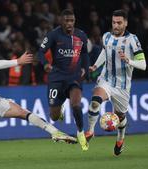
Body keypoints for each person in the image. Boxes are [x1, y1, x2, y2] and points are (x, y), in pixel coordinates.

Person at [85, 10, 146, 155]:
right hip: (106, 80)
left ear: (125, 23)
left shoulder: (132, 39)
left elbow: (143, 64)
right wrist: (96, 65)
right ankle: (91, 131)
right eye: (114, 22)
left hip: (123, 87)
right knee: (95, 101)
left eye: (119, 23)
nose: (116, 25)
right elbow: (104, 52)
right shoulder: (106, 36)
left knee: (121, 117)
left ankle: (120, 139)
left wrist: (129, 60)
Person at [37, 9, 89, 151]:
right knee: (54, 116)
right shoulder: (53, 35)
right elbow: (40, 52)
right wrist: (46, 64)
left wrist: (85, 68)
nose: (69, 23)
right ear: (61, 21)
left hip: (74, 77)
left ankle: (80, 132)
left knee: (76, 105)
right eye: (66, 20)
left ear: (74, 21)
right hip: (56, 78)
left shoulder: (81, 35)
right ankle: (60, 110)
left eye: (71, 20)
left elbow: (85, 54)